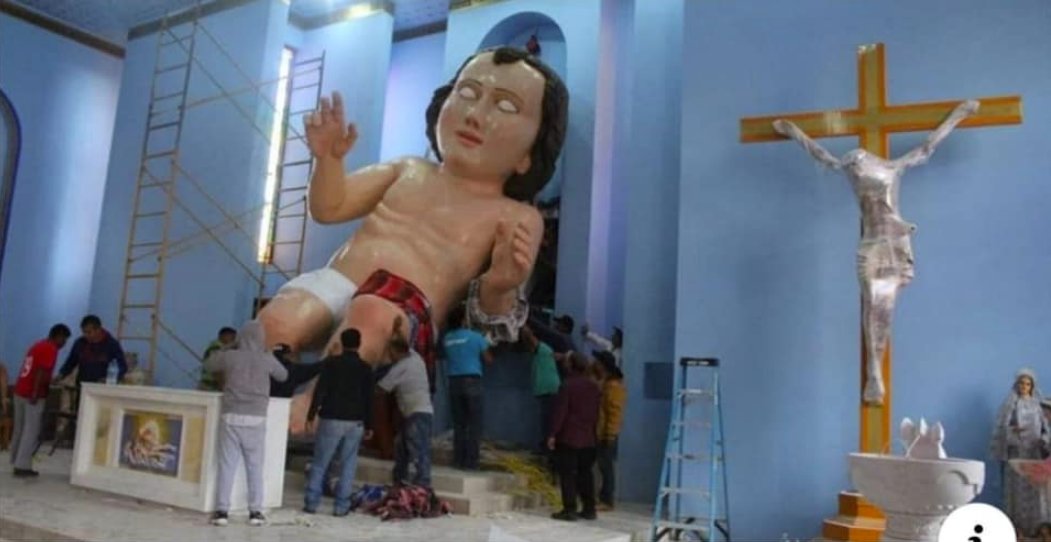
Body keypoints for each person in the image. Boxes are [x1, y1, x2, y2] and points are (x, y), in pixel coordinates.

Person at [253, 47, 569, 453]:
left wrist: (501, 285)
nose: (475, 115)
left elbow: (492, 318)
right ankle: (257, 403)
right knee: (275, 321)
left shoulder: (515, 215)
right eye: (468, 93)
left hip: (405, 313)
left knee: (371, 310)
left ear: (529, 154)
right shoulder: (407, 169)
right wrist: (328, 161)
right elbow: (329, 208)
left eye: (506, 106)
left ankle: (314, 404)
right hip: (340, 279)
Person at [773, 99, 980, 405]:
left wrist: (958, 116)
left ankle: (876, 369)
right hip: (870, 244)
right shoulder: (848, 168)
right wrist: (794, 132)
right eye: (852, 166)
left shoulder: (892, 168)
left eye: (858, 163)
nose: (855, 170)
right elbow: (821, 155)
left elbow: (927, 148)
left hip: (893, 244)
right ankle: (874, 372)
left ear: (869, 161)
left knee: (885, 305)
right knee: (872, 302)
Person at [204, 321, 288, 527]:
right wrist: (268, 353)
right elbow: (283, 376)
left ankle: (222, 512)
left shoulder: (231, 356)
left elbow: (209, 364)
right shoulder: (266, 358)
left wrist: (229, 346)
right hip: (256, 417)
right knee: (255, 467)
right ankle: (255, 512)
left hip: (231, 415)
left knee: (227, 466)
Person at [303, 328, 374, 516]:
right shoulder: (366, 368)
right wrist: (369, 424)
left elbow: (320, 390)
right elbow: (369, 398)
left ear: (342, 343)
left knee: (320, 462)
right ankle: (341, 506)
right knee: (348, 464)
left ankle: (311, 503)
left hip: (331, 418)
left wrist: (311, 415)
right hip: (355, 421)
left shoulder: (331, 364)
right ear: (359, 344)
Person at [990, 368, 1051, 533]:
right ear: (1017, 385)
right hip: (1017, 452)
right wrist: (1013, 432)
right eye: (1022, 383)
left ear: (1032, 386)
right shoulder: (1011, 405)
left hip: (1035, 453)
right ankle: (1017, 527)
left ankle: (1039, 527)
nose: (1024, 387)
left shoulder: (1038, 406)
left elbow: (1046, 428)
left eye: (1028, 384)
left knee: (1036, 491)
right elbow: (1003, 429)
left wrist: (1043, 441)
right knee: (1016, 489)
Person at [9, 324, 71, 476]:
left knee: (19, 428)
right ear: (59, 336)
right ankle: (22, 466)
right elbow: (41, 371)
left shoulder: (38, 345)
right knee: (31, 430)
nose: (64, 344)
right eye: (64, 340)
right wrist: (35, 393)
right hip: (32, 394)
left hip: (20, 390)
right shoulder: (50, 349)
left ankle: (15, 459)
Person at [378, 323, 434, 487]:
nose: (390, 356)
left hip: (416, 413)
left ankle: (422, 484)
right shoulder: (416, 358)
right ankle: (400, 480)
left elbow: (382, 388)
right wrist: (395, 330)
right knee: (402, 449)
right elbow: (403, 343)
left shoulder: (401, 367)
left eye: (390, 353)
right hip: (417, 412)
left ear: (396, 352)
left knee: (417, 449)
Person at [547, 352, 601, 521]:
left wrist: (553, 434)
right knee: (586, 474)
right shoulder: (594, 386)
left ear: (571, 365)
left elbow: (561, 412)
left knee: (568, 473)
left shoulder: (567, 385)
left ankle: (569, 509)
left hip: (569, 436)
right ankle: (589, 508)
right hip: (588, 436)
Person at [441, 304, 493, 470]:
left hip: (454, 382)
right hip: (472, 381)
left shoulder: (447, 339)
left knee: (459, 424)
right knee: (474, 424)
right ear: (464, 320)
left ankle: (458, 460)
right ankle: (471, 462)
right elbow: (488, 360)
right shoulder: (476, 337)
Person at [593, 350, 626, 510]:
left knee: (606, 467)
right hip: (600, 432)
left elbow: (614, 412)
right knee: (601, 466)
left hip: (607, 434)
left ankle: (607, 500)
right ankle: (602, 497)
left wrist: (610, 434)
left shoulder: (613, 387)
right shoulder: (604, 383)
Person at [520, 325, 560, 452]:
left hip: (549, 390)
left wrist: (522, 326)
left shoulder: (543, 349)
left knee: (547, 422)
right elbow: (529, 344)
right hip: (547, 391)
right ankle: (546, 448)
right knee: (546, 421)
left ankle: (547, 450)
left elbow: (530, 338)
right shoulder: (541, 352)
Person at [58, 315, 127, 387]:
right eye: (84, 332)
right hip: (82, 386)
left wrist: (110, 379)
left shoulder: (112, 344)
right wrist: (61, 375)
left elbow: (122, 367)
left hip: (102, 387)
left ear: (98, 330)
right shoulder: (80, 343)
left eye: (89, 332)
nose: (86, 335)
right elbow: (70, 362)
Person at [200, 327, 236, 391]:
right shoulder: (217, 348)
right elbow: (217, 371)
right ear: (224, 336)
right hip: (211, 387)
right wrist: (222, 388)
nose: (234, 340)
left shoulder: (217, 348)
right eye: (232, 337)